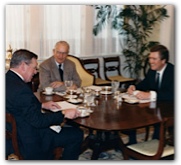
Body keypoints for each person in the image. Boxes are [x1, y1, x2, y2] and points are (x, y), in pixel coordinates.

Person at [6, 49, 83, 160]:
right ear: (23, 66)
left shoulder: (7, 80)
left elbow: (20, 105)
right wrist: (63, 114)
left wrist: (42, 105)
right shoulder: (21, 90)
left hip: (13, 132)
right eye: (34, 67)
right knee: (76, 134)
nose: (35, 72)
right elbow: (39, 121)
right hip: (29, 139)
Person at [126, 44, 174, 144]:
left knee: (157, 120)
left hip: (172, 109)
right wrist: (134, 87)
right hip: (157, 106)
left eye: (154, 59)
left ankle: (158, 145)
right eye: (150, 58)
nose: (150, 61)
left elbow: (173, 95)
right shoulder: (152, 71)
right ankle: (132, 143)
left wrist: (150, 95)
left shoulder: (173, 72)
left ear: (163, 61)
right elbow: (146, 83)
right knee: (132, 112)